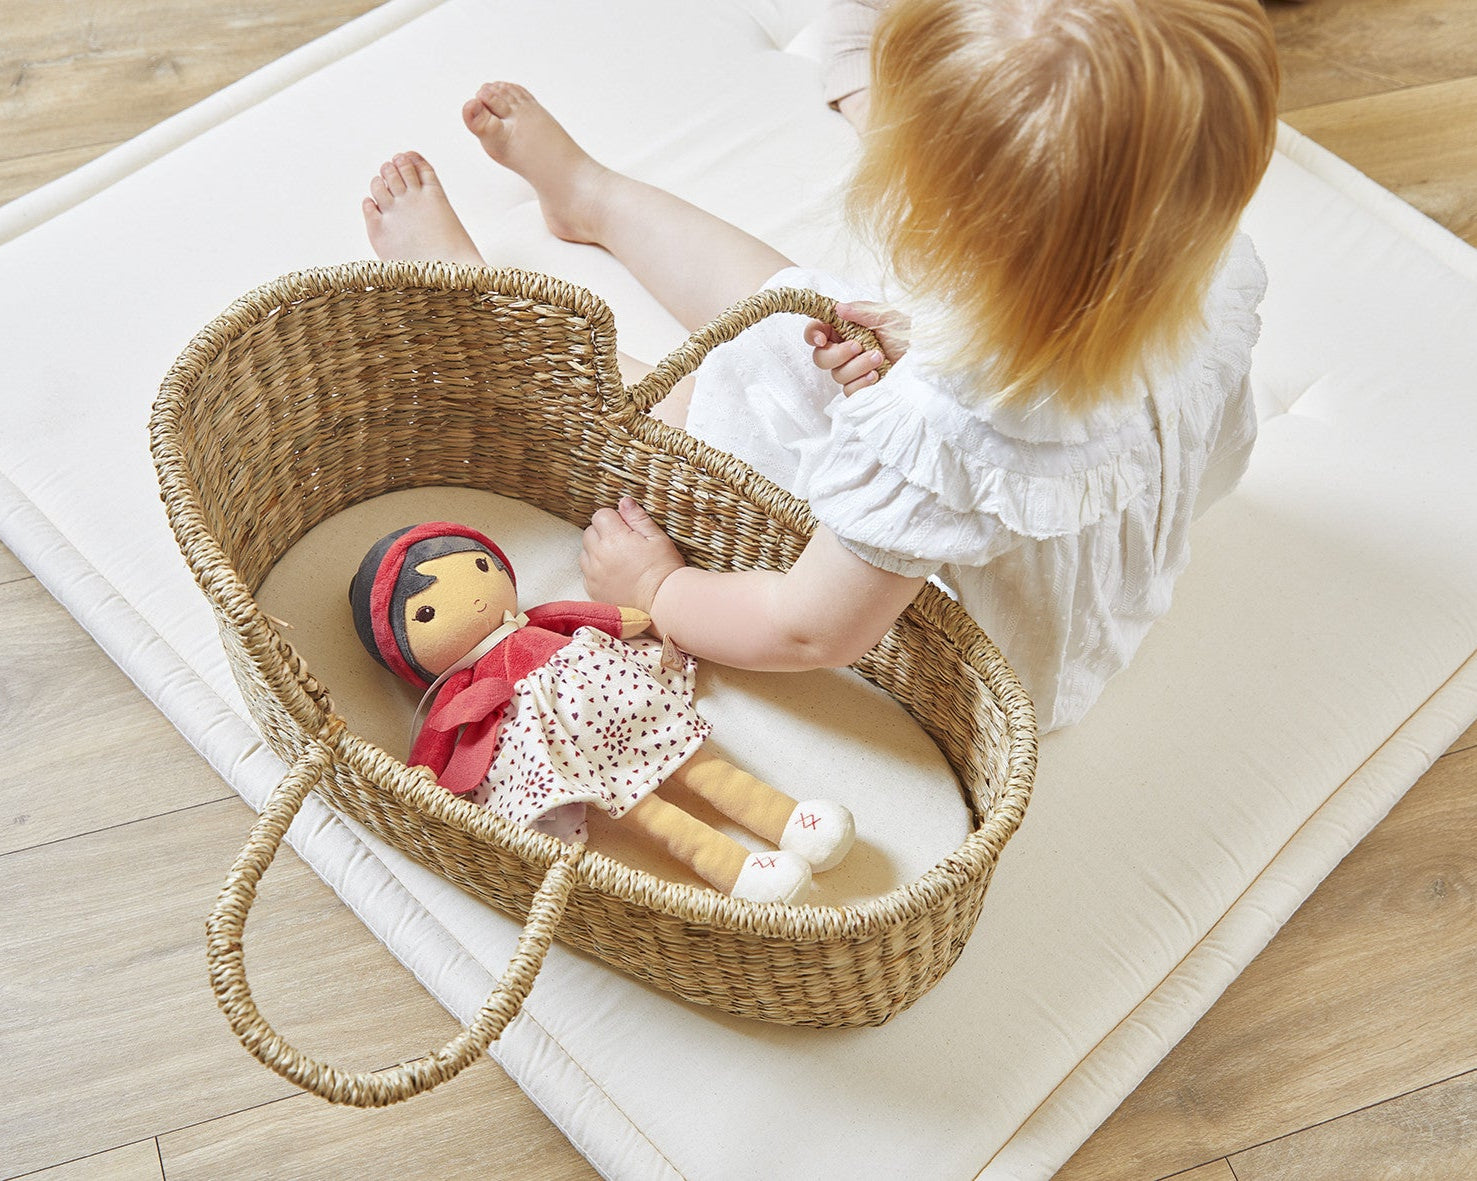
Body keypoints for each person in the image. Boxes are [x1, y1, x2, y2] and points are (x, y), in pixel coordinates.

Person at [361, 0, 1279, 732]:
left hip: (971, 626)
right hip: (1077, 555)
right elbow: (1193, 453)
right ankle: (590, 197)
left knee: (701, 394)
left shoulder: (937, 429)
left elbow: (809, 625)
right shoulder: (1204, 267)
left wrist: (659, 590)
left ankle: (473, 300)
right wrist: (923, 359)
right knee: (798, 307)